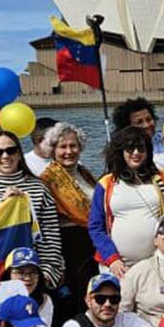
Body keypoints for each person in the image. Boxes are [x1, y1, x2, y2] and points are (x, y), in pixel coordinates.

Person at [0, 131, 66, 306]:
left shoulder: (39, 187)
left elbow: (50, 235)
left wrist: (48, 274)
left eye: (10, 151)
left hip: (30, 278)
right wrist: (0, 205)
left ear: (19, 153)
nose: (5, 156)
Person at [88, 125, 164, 280]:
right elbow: (95, 227)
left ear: (148, 151)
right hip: (118, 268)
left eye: (141, 148)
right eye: (130, 149)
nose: (136, 153)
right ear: (121, 152)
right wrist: (112, 259)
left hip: (161, 265)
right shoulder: (106, 183)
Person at [37, 121, 102, 309]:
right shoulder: (48, 179)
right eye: (62, 147)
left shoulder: (85, 173)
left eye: (73, 146)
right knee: (76, 299)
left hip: (92, 241)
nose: (69, 151)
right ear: (53, 150)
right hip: (69, 245)